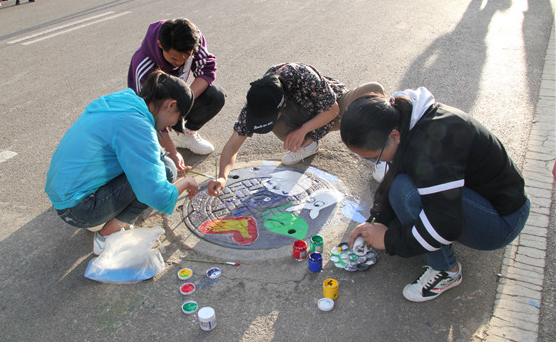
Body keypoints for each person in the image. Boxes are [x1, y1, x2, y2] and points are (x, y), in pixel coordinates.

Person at [340, 87, 530, 302]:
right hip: (481, 196)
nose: (377, 163)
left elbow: (445, 226)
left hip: (503, 220)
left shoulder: (432, 148)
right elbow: (395, 172)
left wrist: (389, 239)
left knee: (406, 193)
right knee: (400, 186)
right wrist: (377, 220)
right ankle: (416, 234)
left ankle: (447, 271)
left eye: (373, 157)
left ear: (394, 136)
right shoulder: (403, 117)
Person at [45, 71, 199, 255]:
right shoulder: (137, 125)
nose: (171, 127)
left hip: (64, 195)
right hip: (78, 209)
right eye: (176, 119)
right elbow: (157, 194)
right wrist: (186, 182)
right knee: (167, 170)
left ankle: (102, 215)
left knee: (158, 161)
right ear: (171, 105)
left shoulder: (125, 101)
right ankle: (106, 237)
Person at [207, 63, 384, 196]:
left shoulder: (303, 75)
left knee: (373, 90)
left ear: (283, 104)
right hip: (305, 119)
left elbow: (333, 110)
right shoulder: (259, 101)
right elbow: (233, 144)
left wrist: (302, 130)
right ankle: (308, 144)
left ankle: (382, 152)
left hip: (333, 110)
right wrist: (222, 176)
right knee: (279, 125)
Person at [128, 18, 224, 164]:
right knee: (164, 163)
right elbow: (149, 111)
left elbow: (206, 70)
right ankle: (158, 142)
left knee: (215, 95)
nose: (179, 63)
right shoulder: (144, 66)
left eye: (185, 58)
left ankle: (185, 135)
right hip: (148, 109)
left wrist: (183, 102)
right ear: (160, 45)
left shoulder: (193, 38)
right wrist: (172, 152)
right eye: (174, 59)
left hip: (173, 97)